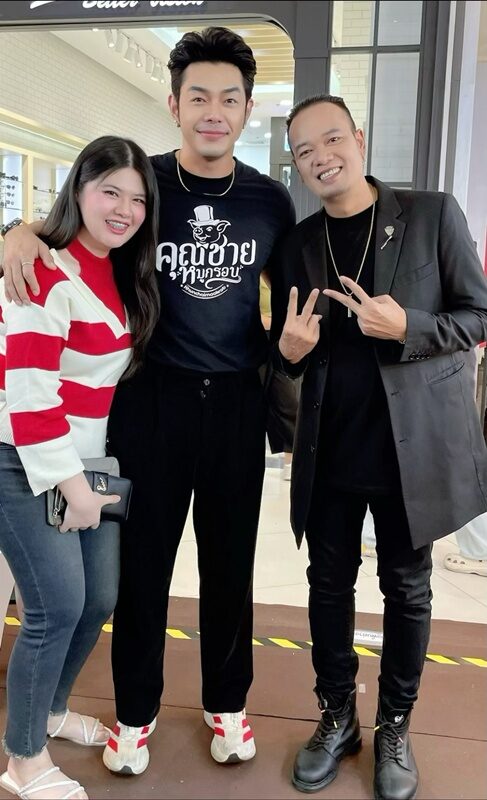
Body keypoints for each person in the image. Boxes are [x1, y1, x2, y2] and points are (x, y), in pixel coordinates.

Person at [1, 28, 295, 775]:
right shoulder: (146, 184)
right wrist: (17, 231)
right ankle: (134, 713)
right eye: (198, 96)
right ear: (174, 104)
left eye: (229, 98)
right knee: (139, 572)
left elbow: (290, 294)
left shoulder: (268, 200)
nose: (213, 111)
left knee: (230, 567)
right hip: (149, 403)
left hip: (235, 405)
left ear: (246, 108)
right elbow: (82, 223)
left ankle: (227, 704)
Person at [269, 94, 487, 799]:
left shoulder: (430, 215)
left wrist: (409, 327)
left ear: (358, 139)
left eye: (331, 139)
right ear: (297, 164)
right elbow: (288, 350)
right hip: (330, 450)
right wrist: (290, 354)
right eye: (304, 150)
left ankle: (395, 724)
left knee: (406, 588)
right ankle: (337, 716)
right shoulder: (298, 244)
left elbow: (477, 314)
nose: (321, 157)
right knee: (327, 585)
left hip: (409, 453)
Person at [0, 136, 159, 800]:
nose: (123, 209)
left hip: (89, 462)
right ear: (79, 190)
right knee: (55, 606)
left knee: (97, 600)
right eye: (109, 192)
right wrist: (73, 487)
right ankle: (22, 759)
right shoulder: (41, 271)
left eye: (137, 199)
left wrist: (85, 481)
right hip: (22, 458)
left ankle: (50, 710)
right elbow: (29, 396)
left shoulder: (120, 272)